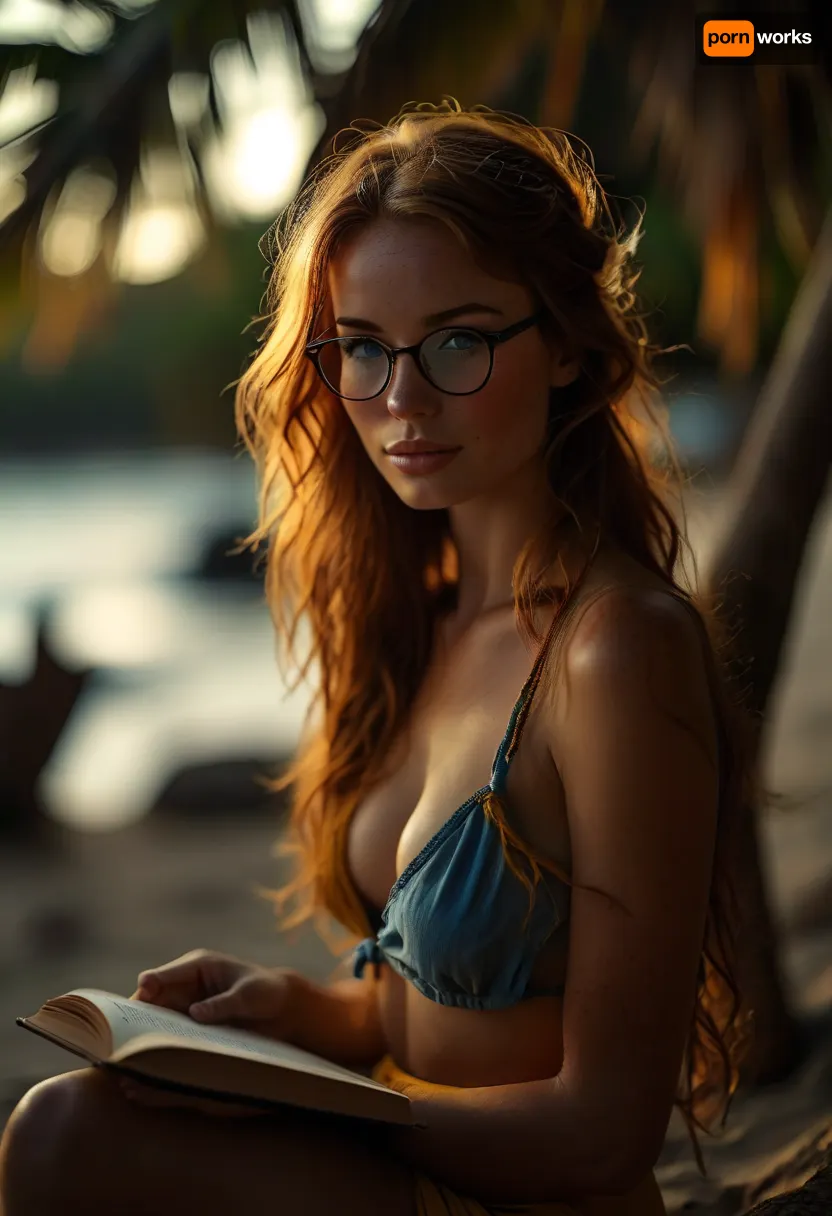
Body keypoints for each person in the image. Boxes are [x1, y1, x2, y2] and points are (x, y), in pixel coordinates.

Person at [0, 99, 756, 1216]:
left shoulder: (614, 652)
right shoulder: (425, 621)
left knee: (60, 1137)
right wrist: (294, 1013)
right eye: (362, 348)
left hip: (529, 1197)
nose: (401, 399)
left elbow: (602, 1129)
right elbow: (444, 1008)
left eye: (457, 341)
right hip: (412, 1160)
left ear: (565, 350)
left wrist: (305, 1109)